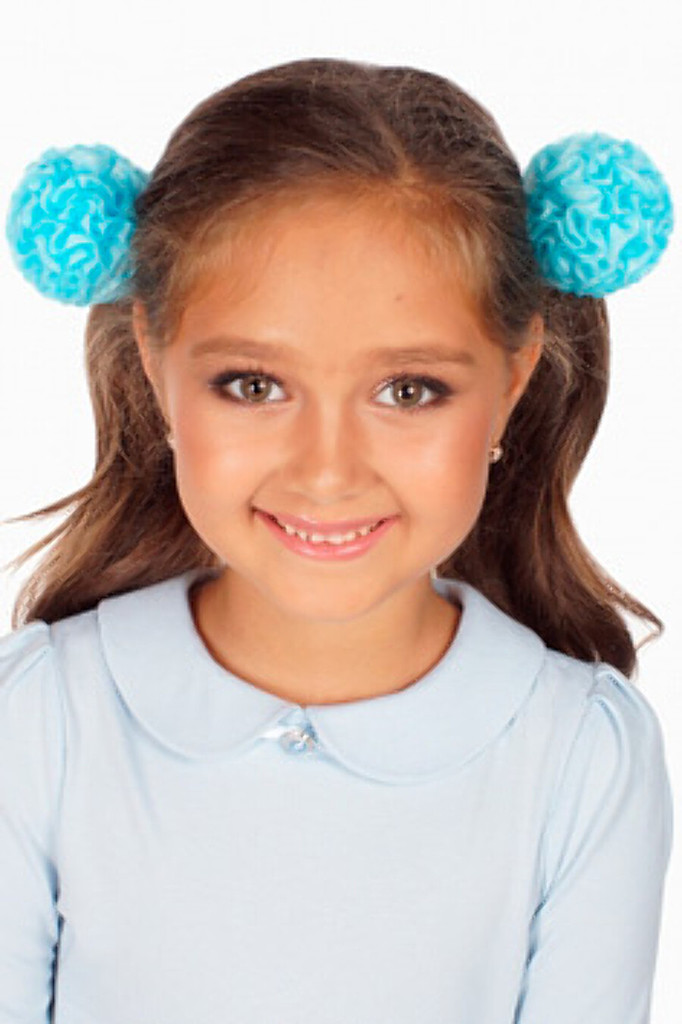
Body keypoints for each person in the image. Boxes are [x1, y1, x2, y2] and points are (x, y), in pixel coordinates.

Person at [0, 57, 674, 1024]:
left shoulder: (581, 755)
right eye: (253, 385)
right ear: (153, 359)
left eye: (408, 391)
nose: (327, 472)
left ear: (515, 376)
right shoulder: (40, 720)